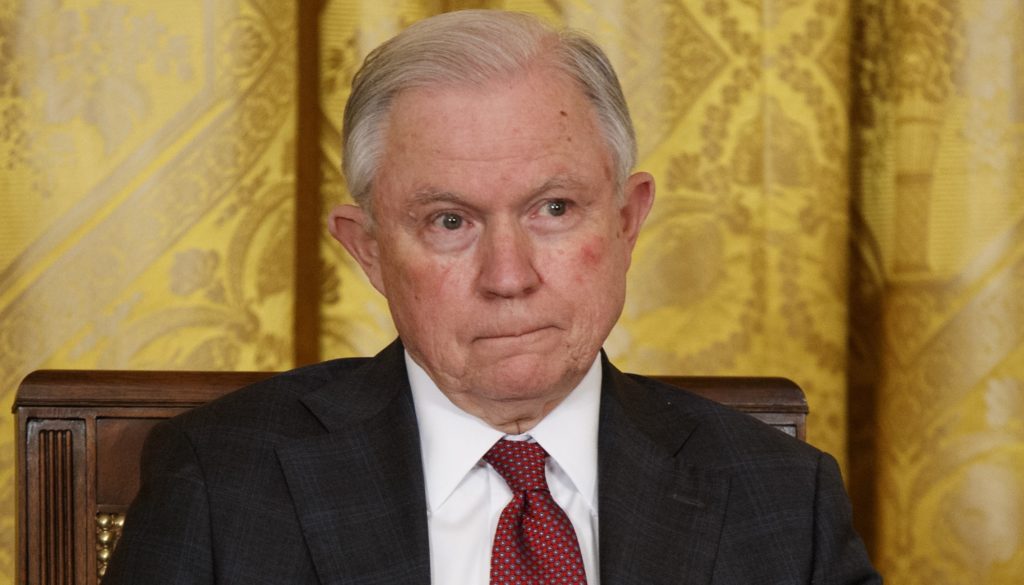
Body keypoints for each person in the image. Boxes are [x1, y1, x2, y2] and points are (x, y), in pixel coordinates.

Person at [105, 9, 881, 585]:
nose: (508, 275)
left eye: (553, 209)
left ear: (626, 220)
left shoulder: (784, 502)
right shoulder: (220, 484)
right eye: (449, 220)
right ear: (368, 248)